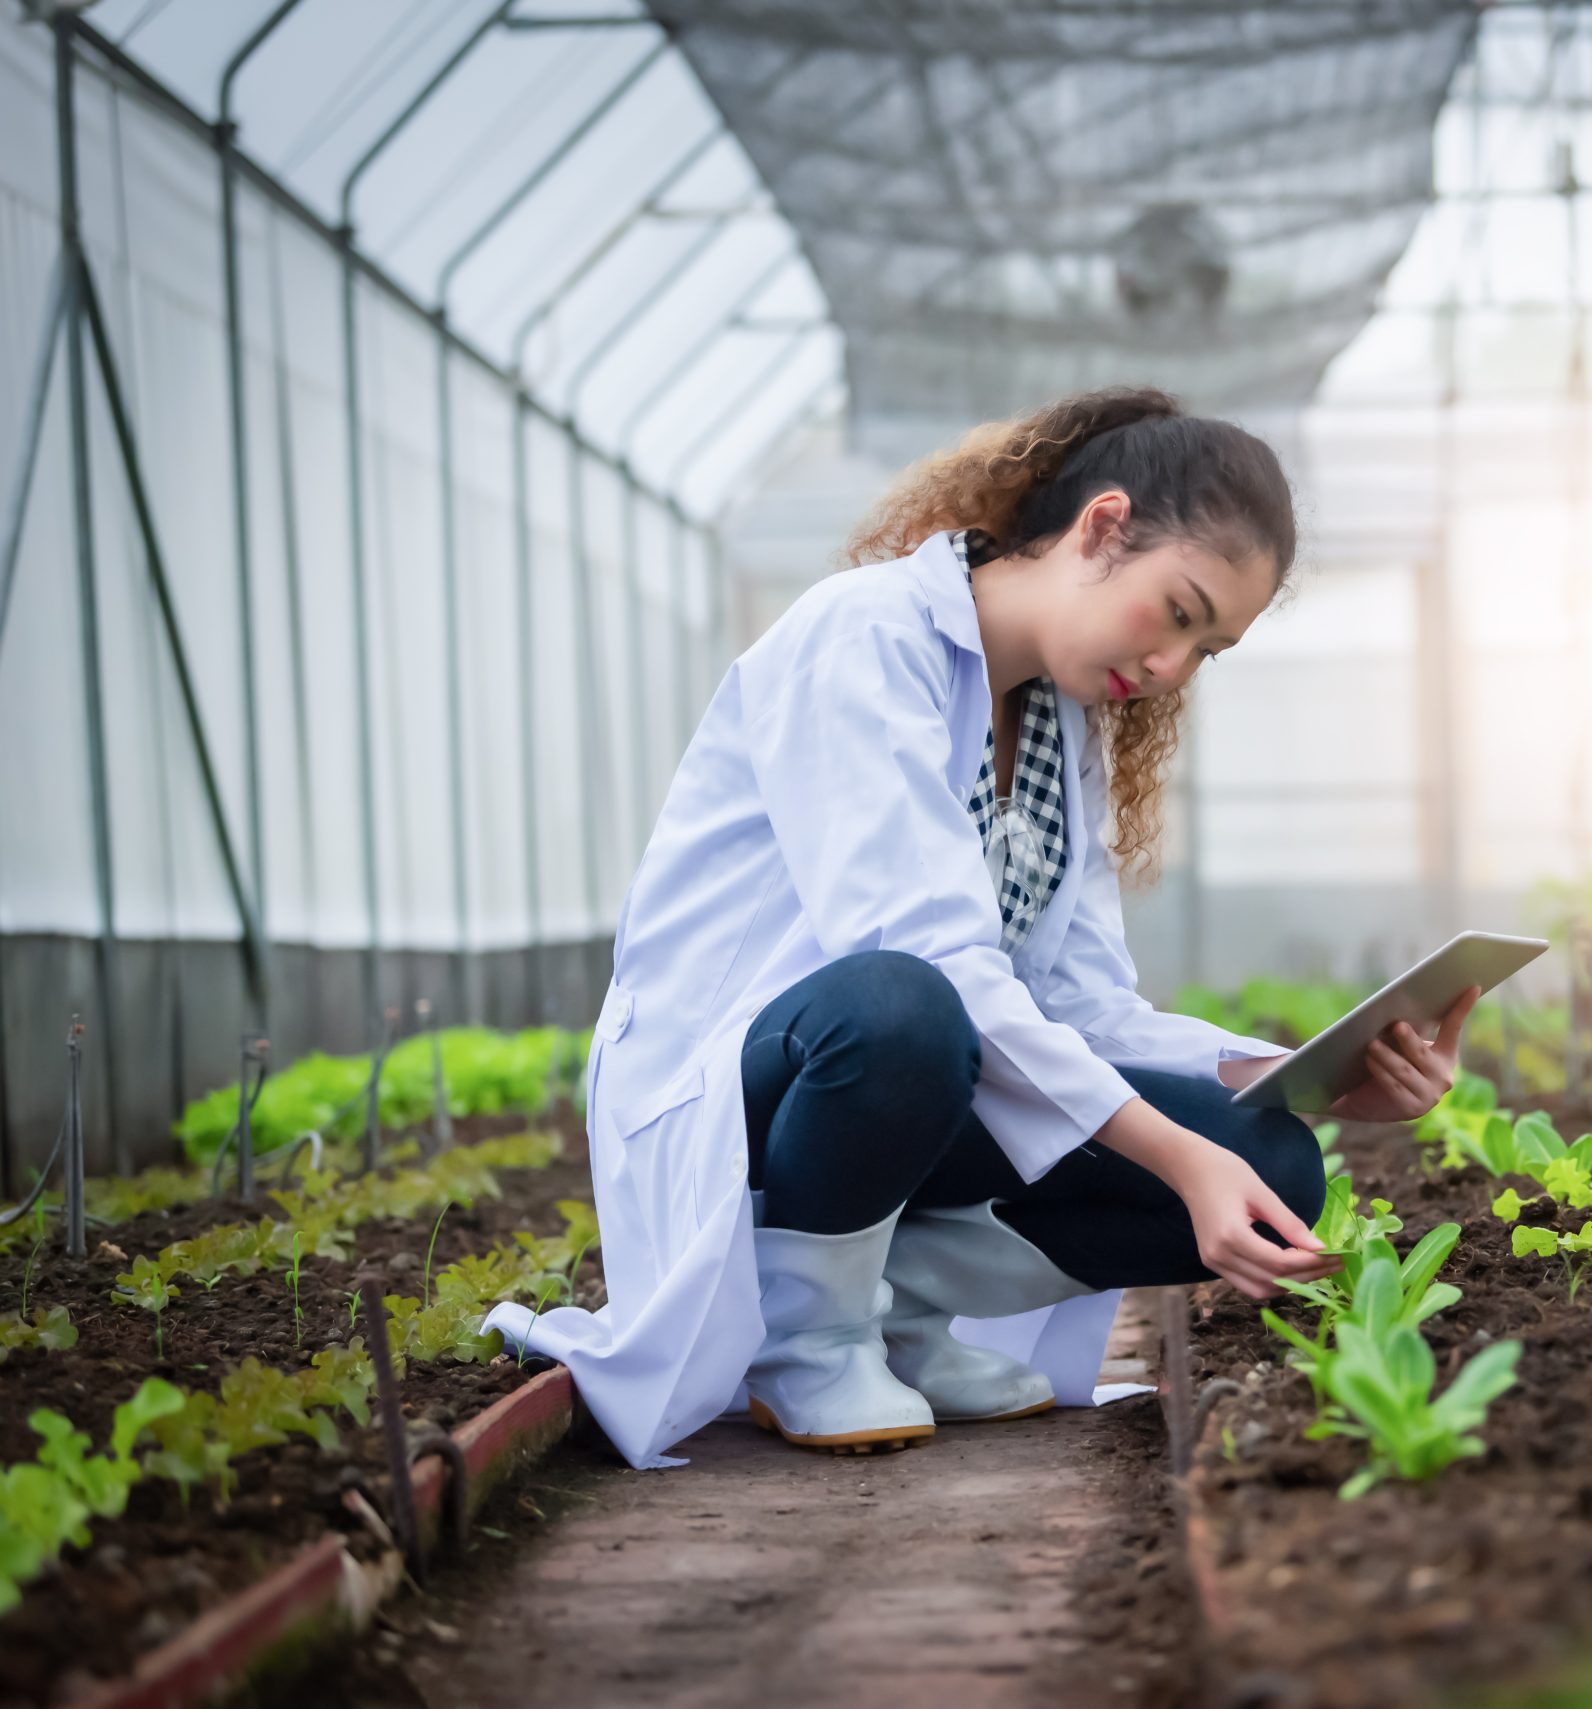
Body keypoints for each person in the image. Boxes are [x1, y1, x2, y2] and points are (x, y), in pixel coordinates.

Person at [484, 387, 1480, 1467]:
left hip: (906, 1082)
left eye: (1209, 651)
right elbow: (926, 958)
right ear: (1101, 528)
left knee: (1271, 1162)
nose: (1171, 670)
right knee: (903, 1003)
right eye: (1180, 613)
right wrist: (1171, 1157)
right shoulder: (862, 634)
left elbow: (1082, 1004)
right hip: (753, 1082)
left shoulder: (1063, 724)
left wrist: (1294, 1073)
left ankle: (891, 1320)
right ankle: (804, 1335)